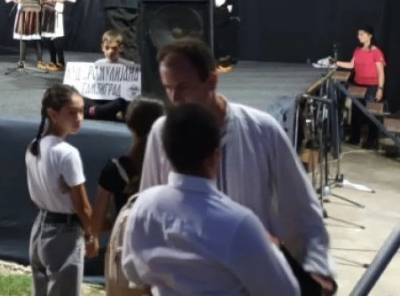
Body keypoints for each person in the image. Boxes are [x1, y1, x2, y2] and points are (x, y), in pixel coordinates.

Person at [139, 39, 336, 295]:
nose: (175, 99)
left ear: (211, 81)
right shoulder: (161, 133)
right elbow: (149, 213)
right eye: (168, 88)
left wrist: (317, 268)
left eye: (184, 87)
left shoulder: (262, 129)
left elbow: (303, 209)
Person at [122, 104, 299, 295]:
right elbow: (285, 290)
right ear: (215, 156)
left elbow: (132, 271)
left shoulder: (144, 206)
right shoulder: (240, 223)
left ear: (166, 151)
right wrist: (271, 247)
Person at [26, 84, 98, 296]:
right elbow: (82, 206)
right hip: (63, 234)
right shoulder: (67, 153)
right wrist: (91, 236)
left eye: (82, 111)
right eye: (72, 113)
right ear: (53, 114)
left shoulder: (34, 146)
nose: (79, 118)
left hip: (40, 230)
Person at [90, 96, 164, 239]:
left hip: (127, 246)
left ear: (129, 124)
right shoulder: (172, 167)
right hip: (163, 244)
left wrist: (116, 219)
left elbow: (96, 227)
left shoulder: (114, 169)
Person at [337, 25, 386, 149]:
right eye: (358, 34)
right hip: (358, 84)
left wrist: (380, 89)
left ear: (370, 36)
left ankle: (371, 141)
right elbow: (351, 65)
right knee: (356, 113)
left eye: (362, 34)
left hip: (372, 86)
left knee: (372, 114)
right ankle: (355, 138)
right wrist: (335, 62)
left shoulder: (375, 51)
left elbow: (381, 72)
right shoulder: (357, 50)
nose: (359, 37)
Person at [83, 30, 136, 122]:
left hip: (115, 100)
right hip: (100, 98)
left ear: (121, 48)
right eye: (107, 48)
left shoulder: (129, 65)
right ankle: (103, 112)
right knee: (81, 98)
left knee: (122, 102)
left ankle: (94, 112)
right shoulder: (98, 64)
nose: (110, 51)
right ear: (102, 48)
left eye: (114, 48)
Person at [211, 0, 236, 72]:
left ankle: (223, 64)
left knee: (219, 38)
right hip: (225, 13)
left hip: (220, 13)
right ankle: (224, 62)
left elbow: (219, 2)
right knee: (222, 38)